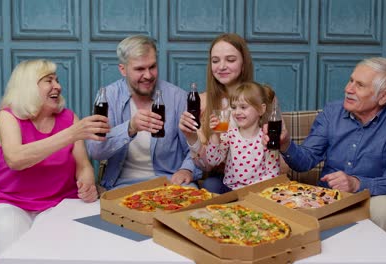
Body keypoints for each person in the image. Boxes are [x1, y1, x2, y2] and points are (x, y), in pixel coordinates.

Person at [264, 57, 386, 239]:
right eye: (351, 80)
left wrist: (357, 183)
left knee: (385, 209)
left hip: (373, 197)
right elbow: (306, 161)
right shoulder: (332, 112)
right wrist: (286, 144)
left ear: (384, 95)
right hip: (328, 195)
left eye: (359, 85)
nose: (348, 89)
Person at [0, 59, 110, 258]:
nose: (58, 86)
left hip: (59, 204)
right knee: (11, 239)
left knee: (58, 247)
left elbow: (83, 165)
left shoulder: (69, 118)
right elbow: (16, 158)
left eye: (57, 80)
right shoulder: (8, 116)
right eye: (49, 80)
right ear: (29, 87)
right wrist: (71, 134)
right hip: (10, 203)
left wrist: (88, 185)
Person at [86, 35, 202, 190]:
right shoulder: (108, 97)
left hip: (170, 181)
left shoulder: (177, 97)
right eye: (140, 69)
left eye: (152, 67)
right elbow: (95, 151)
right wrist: (129, 128)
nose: (148, 75)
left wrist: (187, 169)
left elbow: (193, 147)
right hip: (121, 185)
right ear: (123, 69)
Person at [179, 33, 254, 184]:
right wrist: (191, 136)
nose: (221, 66)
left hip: (259, 175)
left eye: (230, 60)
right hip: (224, 179)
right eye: (215, 61)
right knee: (211, 184)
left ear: (243, 63)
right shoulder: (202, 102)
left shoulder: (262, 98)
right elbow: (206, 165)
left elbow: (279, 158)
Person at [205, 82, 280, 193]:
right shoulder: (230, 135)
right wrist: (215, 135)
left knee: (275, 190)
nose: (237, 112)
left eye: (243, 107)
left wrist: (251, 189)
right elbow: (213, 161)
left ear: (261, 109)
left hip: (256, 192)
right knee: (210, 184)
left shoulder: (266, 138)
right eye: (234, 107)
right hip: (230, 190)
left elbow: (273, 173)